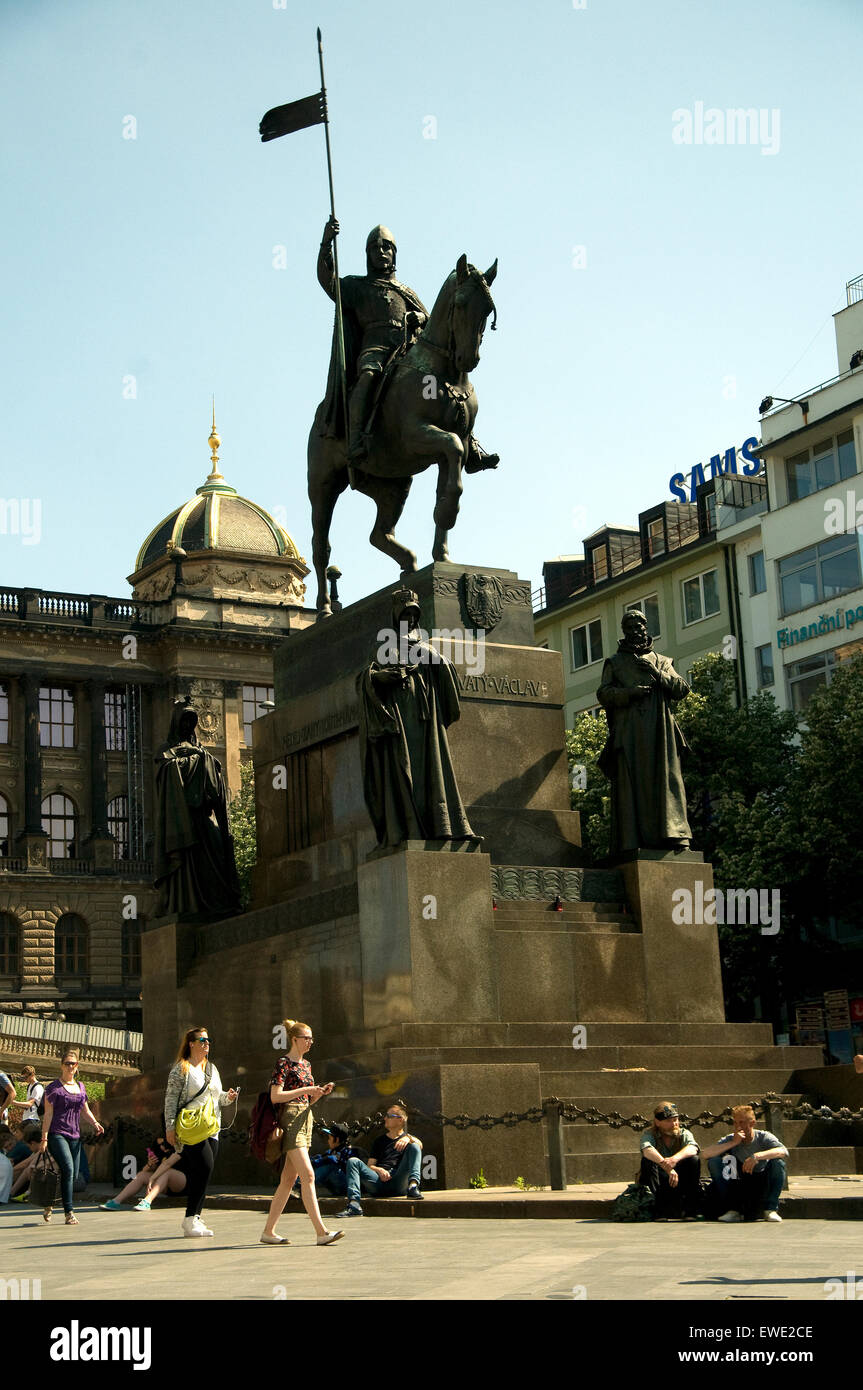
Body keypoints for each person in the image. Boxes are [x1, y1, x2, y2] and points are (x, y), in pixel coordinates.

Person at [357, 588, 476, 848]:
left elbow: (446, 677)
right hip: (398, 721)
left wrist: (438, 661)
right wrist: (379, 677)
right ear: (395, 616)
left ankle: (440, 825)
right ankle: (406, 826)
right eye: (404, 614)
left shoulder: (425, 648)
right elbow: (365, 679)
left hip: (425, 722)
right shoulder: (382, 647)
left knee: (432, 770)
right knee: (402, 770)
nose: (409, 619)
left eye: (413, 614)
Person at [317, 217, 428, 461]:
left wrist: (420, 316)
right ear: (368, 254)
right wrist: (326, 244)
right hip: (375, 349)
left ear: (394, 253)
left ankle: (467, 439)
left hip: (406, 351)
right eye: (375, 248)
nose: (381, 251)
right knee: (368, 376)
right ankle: (355, 439)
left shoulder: (405, 292)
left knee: (438, 380)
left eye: (386, 247)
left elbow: (432, 322)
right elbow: (328, 281)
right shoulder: (357, 287)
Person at [597, 609, 692, 853]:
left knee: (668, 781)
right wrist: (630, 693)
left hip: (662, 735)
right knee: (632, 786)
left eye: (639, 625)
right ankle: (632, 841)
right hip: (630, 735)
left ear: (646, 628)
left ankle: (675, 834)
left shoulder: (662, 661)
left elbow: (681, 689)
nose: (636, 630)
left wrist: (656, 673)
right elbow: (604, 694)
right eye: (630, 627)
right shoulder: (615, 663)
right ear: (624, 632)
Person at [153, 698, 242, 918]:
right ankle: (186, 904)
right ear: (176, 723)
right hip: (180, 819)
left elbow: (214, 781)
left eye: (191, 722)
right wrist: (185, 762)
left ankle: (217, 903)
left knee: (217, 848)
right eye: (184, 721)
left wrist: (202, 759)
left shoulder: (201, 750)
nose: (187, 726)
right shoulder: (165, 750)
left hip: (202, 815)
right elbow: (163, 777)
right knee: (187, 860)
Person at [260, 1019, 344, 1247]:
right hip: (289, 1118)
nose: (310, 1042)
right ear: (295, 1039)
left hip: (305, 1116)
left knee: (289, 1179)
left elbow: (307, 1098)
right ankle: (321, 1231)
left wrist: (319, 1093)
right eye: (306, 1038)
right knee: (308, 1175)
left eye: (311, 1038)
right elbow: (275, 1096)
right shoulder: (283, 1063)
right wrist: (308, 1090)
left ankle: (268, 1231)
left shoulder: (306, 1065)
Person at [164, 1025, 237, 1237]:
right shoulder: (181, 1069)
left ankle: (195, 1216)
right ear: (191, 1044)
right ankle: (189, 1217)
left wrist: (228, 1097)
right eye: (203, 1041)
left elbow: (218, 1097)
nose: (207, 1044)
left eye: (209, 1041)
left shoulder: (212, 1069)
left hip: (211, 1126)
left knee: (204, 1172)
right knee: (204, 1167)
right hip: (191, 1127)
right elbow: (170, 1100)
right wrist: (170, 1127)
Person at [39, 1049, 104, 1225]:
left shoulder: (81, 1087)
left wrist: (95, 1123)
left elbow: (85, 1110)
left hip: (75, 1135)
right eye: (67, 1063)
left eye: (73, 1064)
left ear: (77, 1067)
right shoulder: (53, 1088)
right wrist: (44, 1139)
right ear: (61, 1065)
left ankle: (50, 1202)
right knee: (67, 1168)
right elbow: (48, 1114)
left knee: (73, 1175)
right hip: (57, 1134)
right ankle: (69, 1212)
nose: (70, 1066)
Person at [702, 1104, 788, 1223]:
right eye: (735, 1123)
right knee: (715, 1161)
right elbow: (706, 1154)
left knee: (778, 1163)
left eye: (741, 1122)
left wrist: (757, 1156)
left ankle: (770, 1209)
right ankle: (733, 1210)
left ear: (752, 1123)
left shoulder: (764, 1137)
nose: (738, 1126)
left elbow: (783, 1151)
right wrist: (733, 1143)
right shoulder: (731, 1138)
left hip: (760, 1179)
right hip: (739, 1183)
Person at [338, 1103, 423, 1216]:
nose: (385, 1118)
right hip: (378, 1182)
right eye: (386, 1115)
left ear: (400, 1120)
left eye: (389, 1116)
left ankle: (413, 1186)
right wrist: (379, 1170)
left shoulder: (409, 1140)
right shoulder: (379, 1141)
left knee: (415, 1146)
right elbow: (370, 1165)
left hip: (398, 1181)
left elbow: (420, 1146)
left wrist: (408, 1138)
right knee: (353, 1161)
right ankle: (354, 1205)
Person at [638, 1102, 701, 1220]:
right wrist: (666, 1166)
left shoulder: (684, 1133)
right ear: (657, 1122)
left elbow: (693, 1148)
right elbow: (647, 1150)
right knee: (647, 1161)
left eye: (676, 1120)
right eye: (669, 1121)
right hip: (659, 1180)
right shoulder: (649, 1134)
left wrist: (674, 1159)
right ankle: (658, 1211)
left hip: (679, 1180)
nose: (674, 1124)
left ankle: (690, 1211)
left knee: (693, 1160)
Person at [100, 1134, 187, 1210]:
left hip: (184, 1183)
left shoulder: (180, 1145)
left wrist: (152, 1178)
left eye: (163, 1143)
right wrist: (150, 1164)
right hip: (164, 1185)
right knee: (141, 1175)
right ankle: (116, 1201)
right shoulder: (159, 1150)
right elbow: (144, 1171)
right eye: (159, 1144)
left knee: (167, 1172)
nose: (161, 1146)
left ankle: (147, 1202)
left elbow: (167, 1164)